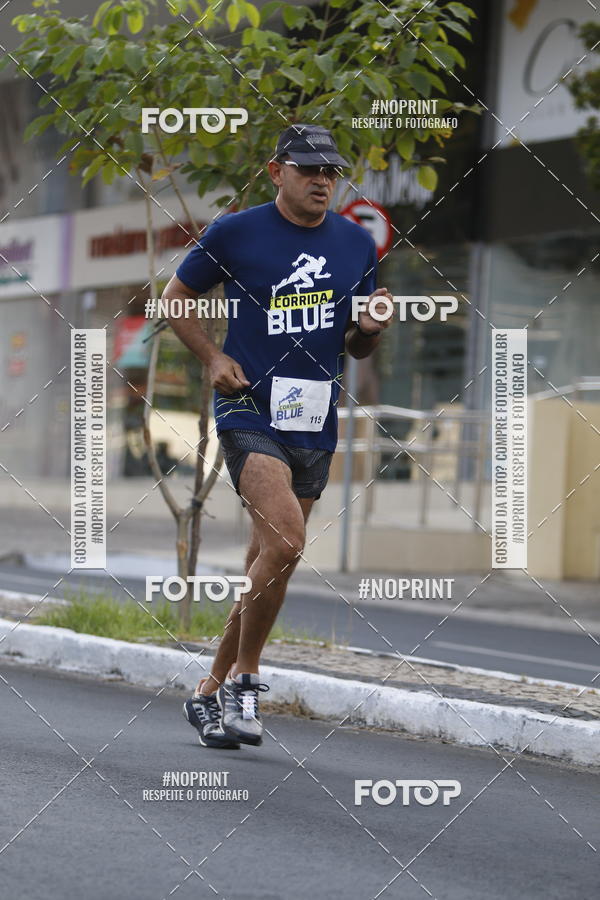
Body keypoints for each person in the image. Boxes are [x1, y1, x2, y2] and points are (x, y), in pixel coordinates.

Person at [163, 124, 393, 749]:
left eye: (331, 172)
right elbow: (176, 296)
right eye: (309, 169)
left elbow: (356, 341)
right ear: (276, 171)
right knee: (288, 541)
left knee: (269, 560)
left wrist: (371, 327)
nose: (323, 180)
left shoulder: (355, 244)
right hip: (248, 407)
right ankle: (247, 680)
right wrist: (211, 357)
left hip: (314, 418)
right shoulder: (237, 231)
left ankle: (209, 693)